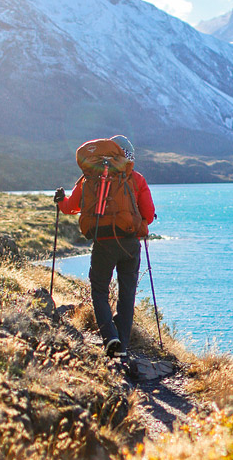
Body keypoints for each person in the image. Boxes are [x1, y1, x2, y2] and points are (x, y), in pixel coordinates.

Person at [54, 135, 156, 360]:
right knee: (127, 294)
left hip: (102, 243)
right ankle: (122, 345)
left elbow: (71, 207)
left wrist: (60, 200)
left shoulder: (89, 178)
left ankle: (110, 337)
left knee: (99, 291)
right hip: (130, 243)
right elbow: (148, 214)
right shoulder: (136, 179)